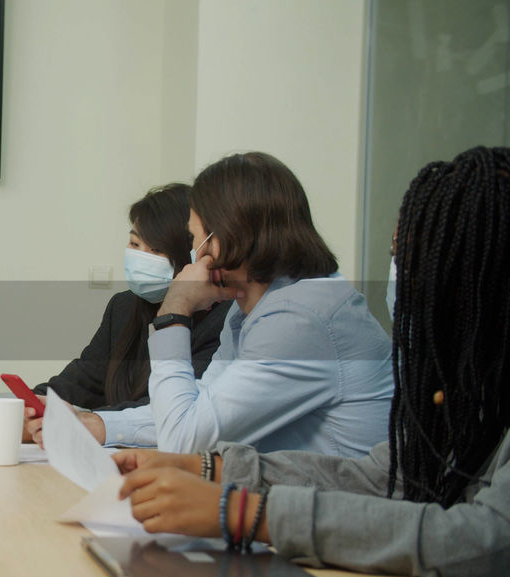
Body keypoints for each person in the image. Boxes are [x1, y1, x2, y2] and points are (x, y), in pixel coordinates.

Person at [110, 146, 510, 577]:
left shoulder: (304, 317)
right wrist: (213, 469)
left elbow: (489, 543)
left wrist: (245, 510)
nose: (402, 280)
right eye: (399, 257)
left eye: (424, 264)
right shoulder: (467, 384)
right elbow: (388, 476)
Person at [33, 152, 393, 457]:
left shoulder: (301, 319)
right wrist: (100, 425)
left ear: (221, 239)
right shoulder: (252, 307)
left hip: (345, 524)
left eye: (194, 237)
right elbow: (201, 407)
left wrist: (174, 310)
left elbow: (184, 438)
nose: (194, 252)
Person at [0, 184, 229, 424]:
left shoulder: (222, 322)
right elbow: (80, 381)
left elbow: (162, 411)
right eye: (135, 245)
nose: (140, 257)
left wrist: (79, 422)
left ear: (191, 254)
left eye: (156, 250)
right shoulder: (124, 307)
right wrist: (1, 409)